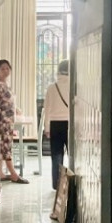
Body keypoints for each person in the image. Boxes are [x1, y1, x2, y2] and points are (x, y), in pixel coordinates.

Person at [0, 59, 29, 184]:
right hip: (2, 121)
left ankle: (0, 173)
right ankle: (13, 174)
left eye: (7, 68)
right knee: (6, 147)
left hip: (8, 121)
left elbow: (6, 101)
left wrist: (15, 109)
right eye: (2, 69)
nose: (5, 71)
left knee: (3, 147)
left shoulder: (5, 84)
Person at [43, 59, 70, 190]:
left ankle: (57, 184)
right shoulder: (74, 86)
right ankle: (72, 182)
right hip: (70, 124)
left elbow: (47, 109)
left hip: (55, 124)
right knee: (72, 155)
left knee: (56, 155)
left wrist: (47, 127)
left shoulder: (51, 87)